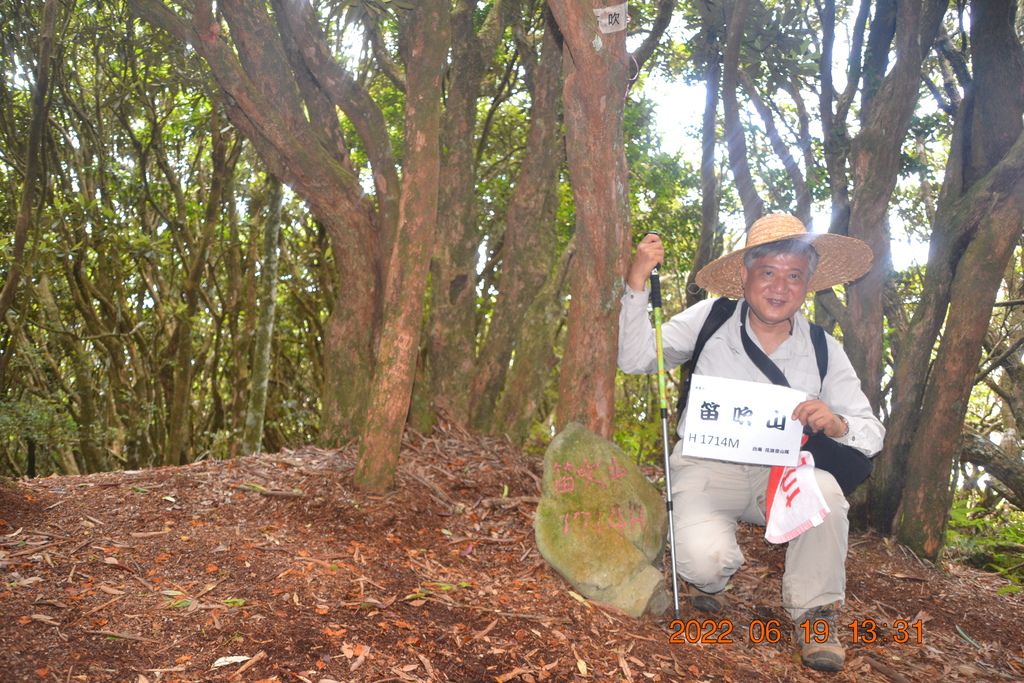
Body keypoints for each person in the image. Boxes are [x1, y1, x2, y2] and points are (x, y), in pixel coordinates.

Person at [618, 214, 885, 672]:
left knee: (826, 494)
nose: (780, 287)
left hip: (780, 477)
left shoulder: (825, 349)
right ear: (744, 276)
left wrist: (837, 423)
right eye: (768, 272)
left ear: (807, 285)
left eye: (794, 275)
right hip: (707, 467)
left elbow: (870, 431)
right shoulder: (712, 319)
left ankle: (816, 614)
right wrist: (637, 282)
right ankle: (707, 583)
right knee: (704, 562)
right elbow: (637, 357)